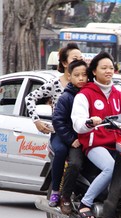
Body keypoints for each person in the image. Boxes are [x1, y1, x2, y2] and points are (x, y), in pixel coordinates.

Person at [70, 52, 121, 218]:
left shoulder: (119, 95)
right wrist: (89, 122)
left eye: (111, 68)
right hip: (94, 143)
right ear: (94, 71)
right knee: (110, 167)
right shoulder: (85, 94)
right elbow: (77, 122)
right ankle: (86, 203)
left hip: (117, 142)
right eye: (104, 68)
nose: (108, 71)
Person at [25, 42, 83, 207]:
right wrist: (37, 121)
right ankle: (56, 190)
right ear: (65, 63)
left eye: (81, 58)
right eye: (75, 58)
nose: (79, 61)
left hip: (82, 131)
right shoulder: (55, 83)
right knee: (61, 150)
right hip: (61, 132)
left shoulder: (85, 82)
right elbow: (30, 98)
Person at [51, 59, 88, 214]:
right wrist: (71, 139)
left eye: (84, 75)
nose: (81, 78)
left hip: (84, 137)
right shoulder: (66, 97)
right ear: (69, 76)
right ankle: (57, 192)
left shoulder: (91, 94)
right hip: (65, 135)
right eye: (76, 75)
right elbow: (58, 121)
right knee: (62, 153)